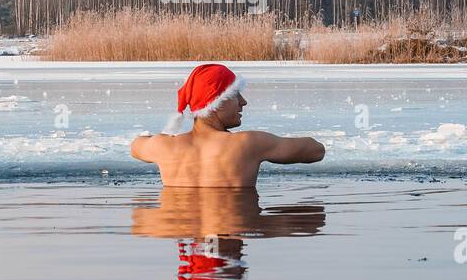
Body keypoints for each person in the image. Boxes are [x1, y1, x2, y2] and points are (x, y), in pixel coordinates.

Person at [129, 63, 325, 188]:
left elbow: (136, 146)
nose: (243, 102)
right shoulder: (248, 143)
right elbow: (316, 151)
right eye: (235, 95)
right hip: (236, 225)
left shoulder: (163, 147)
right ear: (216, 103)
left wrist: (164, 136)